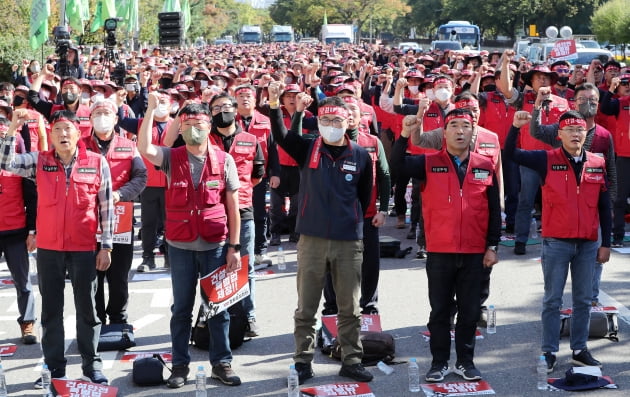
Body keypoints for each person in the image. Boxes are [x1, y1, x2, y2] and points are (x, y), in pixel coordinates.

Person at [268, 86, 374, 385]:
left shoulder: (360, 155)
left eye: (337, 122)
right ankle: (303, 361)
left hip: (347, 240)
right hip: (312, 239)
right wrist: (276, 104)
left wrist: (348, 221)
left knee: (350, 307)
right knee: (307, 307)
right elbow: (281, 135)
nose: (331, 127)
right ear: (319, 122)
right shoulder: (308, 148)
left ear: (347, 122)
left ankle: (352, 359)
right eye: (326, 122)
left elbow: (364, 197)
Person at [0, 109, 114, 386]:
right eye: (58, 130)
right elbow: (6, 163)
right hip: (49, 248)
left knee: (88, 310)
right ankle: (54, 368)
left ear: (78, 134)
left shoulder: (97, 162)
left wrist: (106, 246)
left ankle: (92, 364)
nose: (63, 134)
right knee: (51, 312)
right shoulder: (39, 161)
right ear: (50, 136)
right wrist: (12, 130)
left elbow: (107, 206)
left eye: (68, 129)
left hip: (85, 246)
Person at [137, 96, 242, 388]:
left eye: (200, 124)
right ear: (180, 128)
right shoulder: (172, 157)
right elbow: (144, 148)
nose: (194, 129)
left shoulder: (225, 160)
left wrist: (234, 247)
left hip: (216, 245)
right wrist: (149, 111)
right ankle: (180, 366)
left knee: (217, 308)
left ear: (209, 126)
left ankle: (222, 363)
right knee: (181, 310)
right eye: (188, 124)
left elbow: (233, 206)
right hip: (181, 246)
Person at [393, 108, 501, 383]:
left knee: (469, 312)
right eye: (454, 125)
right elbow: (397, 166)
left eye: (466, 125)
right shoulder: (429, 163)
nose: (460, 131)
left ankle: (466, 361)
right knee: (440, 311)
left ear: (473, 131)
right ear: (444, 132)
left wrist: (493, 246)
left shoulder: (486, 164)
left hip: (475, 252)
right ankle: (439, 363)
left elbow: (493, 210)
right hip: (440, 251)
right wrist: (405, 134)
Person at [506, 110, 611, 373]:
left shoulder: (597, 162)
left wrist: (606, 242)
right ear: (559, 135)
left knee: (584, 299)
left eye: (580, 130)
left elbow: (604, 205)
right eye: (570, 130)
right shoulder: (546, 159)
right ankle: (549, 351)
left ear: (585, 134)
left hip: (587, 243)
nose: (576, 134)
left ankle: (579, 349)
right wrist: (515, 128)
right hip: (556, 242)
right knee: (552, 300)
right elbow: (510, 155)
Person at [530, 83, 617, 306]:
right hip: (561, 217)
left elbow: (612, 174)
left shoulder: (605, 135)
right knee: (556, 281)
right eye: (583, 99)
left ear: (598, 104)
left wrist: (610, 208)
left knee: (595, 263)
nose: (588, 103)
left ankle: (592, 304)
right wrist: (538, 105)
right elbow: (536, 131)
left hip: (593, 213)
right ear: (574, 102)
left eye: (593, 99)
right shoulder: (562, 129)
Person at [205, 92, 265, 337]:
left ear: (235, 109)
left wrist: (238, 193)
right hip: (213, 211)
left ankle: (247, 316)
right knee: (214, 266)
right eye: (216, 108)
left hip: (243, 210)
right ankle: (216, 314)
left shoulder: (251, 139)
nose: (222, 111)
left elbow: (257, 175)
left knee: (244, 266)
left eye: (226, 106)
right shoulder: (204, 139)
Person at [84, 99, 147, 324]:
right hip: (88, 220)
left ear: (116, 118)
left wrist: (119, 194)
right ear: (90, 119)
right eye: (97, 113)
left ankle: (119, 318)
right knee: (93, 276)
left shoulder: (129, 146)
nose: (102, 117)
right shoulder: (79, 145)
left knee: (119, 274)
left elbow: (141, 177)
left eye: (106, 113)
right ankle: (97, 318)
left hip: (120, 218)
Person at [498, 54, 569, 255]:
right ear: (531, 81)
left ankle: (556, 237)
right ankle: (521, 240)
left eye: (546, 77)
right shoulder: (523, 99)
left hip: (555, 158)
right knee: (525, 201)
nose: (543, 80)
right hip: (529, 158)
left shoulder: (562, 102)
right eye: (538, 77)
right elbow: (505, 88)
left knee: (556, 201)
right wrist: (505, 62)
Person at [118, 91, 173, 271]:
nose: (160, 105)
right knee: (148, 223)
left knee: (170, 222)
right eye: (157, 101)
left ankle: (169, 255)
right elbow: (122, 121)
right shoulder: (143, 123)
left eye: (164, 101)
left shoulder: (177, 126)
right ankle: (147, 257)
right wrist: (119, 103)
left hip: (170, 183)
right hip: (148, 184)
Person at [0, 118, 37, 344]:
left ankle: (28, 323)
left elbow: (32, 200)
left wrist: (33, 230)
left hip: (15, 231)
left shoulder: (18, 166)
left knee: (23, 282)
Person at [599, 74, 630, 248]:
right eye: (623, 83)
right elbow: (605, 108)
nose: (627, 86)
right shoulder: (620, 103)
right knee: (619, 198)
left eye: (629, 83)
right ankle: (617, 235)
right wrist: (610, 90)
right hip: (624, 157)